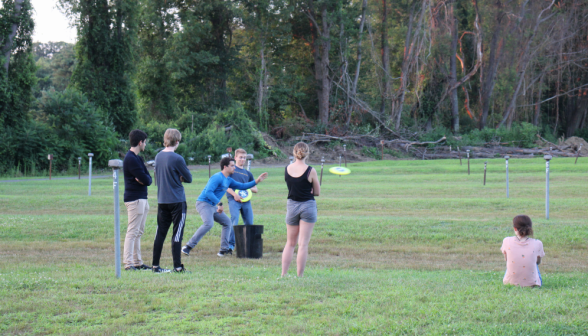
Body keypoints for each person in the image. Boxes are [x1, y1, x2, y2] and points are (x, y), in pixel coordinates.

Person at [182, 157, 268, 257]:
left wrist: (257, 181)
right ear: (225, 167)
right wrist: (219, 204)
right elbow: (208, 192)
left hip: (213, 206)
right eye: (232, 166)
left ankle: (223, 250)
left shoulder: (229, 180)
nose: (234, 168)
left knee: (227, 223)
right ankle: (188, 247)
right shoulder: (217, 177)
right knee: (209, 224)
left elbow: (242, 186)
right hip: (203, 203)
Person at [152, 128, 192, 273]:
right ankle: (177, 266)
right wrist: (180, 177)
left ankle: (155, 266)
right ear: (176, 141)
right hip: (177, 200)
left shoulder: (158, 157)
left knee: (160, 233)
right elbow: (189, 178)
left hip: (162, 200)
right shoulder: (177, 158)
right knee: (177, 233)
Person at [282, 142, 320, 277]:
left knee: (290, 243)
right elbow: (317, 192)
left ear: (294, 152)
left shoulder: (287, 169)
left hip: (292, 206)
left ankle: (283, 274)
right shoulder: (311, 170)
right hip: (308, 206)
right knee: (303, 244)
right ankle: (299, 276)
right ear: (307, 153)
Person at [122, 129, 152, 271]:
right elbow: (146, 178)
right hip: (135, 199)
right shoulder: (130, 159)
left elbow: (148, 179)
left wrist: (144, 179)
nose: (145, 145)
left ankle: (138, 262)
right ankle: (129, 264)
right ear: (140, 142)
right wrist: (144, 179)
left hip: (142, 199)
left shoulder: (138, 158)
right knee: (132, 231)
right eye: (144, 142)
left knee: (139, 232)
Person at [225, 148, 257, 251]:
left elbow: (255, 189)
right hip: (234, 200)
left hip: (246, 201)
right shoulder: (231, 170)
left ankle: (247, 244)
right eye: (240, 157)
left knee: (249, 222)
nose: (242, 159)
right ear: (235, 158)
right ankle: (230, 245)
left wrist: (245, 186)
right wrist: (234, 195)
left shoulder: (248, 173)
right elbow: (225, 186)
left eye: (244, 158)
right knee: (234, 221)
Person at [501, 215, 545, 287]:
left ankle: (512, 280)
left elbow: (506, 259)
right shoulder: (537, 243)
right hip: (532, 284)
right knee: (534, 264)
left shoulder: (507, 241)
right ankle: (533, 281)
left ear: (515, 228)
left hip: (510, 283)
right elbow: (538, 262)